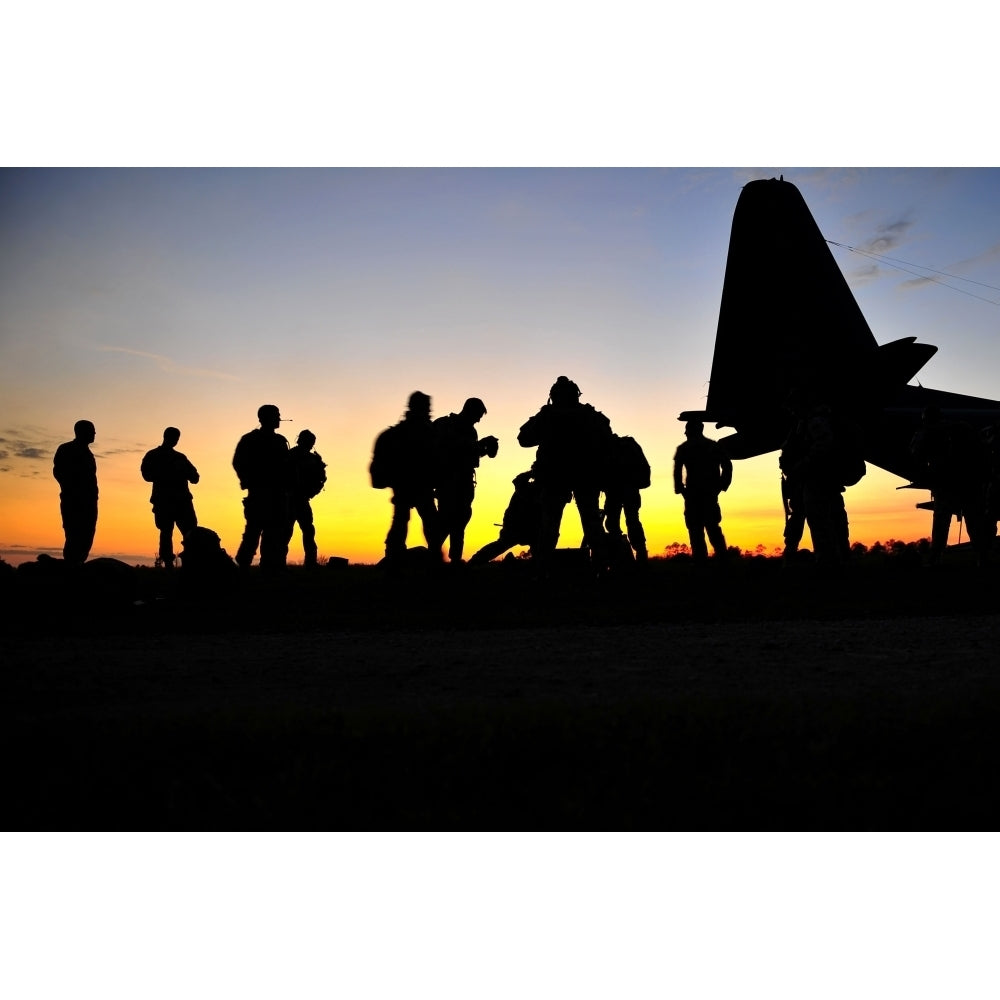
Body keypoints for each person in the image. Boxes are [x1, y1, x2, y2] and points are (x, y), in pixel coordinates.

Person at [517, 376, 614, 570]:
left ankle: (542, 570)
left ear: (553, 396)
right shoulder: (588, 414)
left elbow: (524, 438)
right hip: (583, 476)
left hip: (556, 477)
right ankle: (601, 569)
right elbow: (607, 437)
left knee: (549, 526)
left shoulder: (549, 415)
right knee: (592, 525)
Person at [910, 405, 992, 565]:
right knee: (974, 522)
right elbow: (982, 451)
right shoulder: (962, 428)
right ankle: (982, 557)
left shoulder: (928, 433)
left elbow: (916, 455)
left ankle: (936, 557)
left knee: (941, 523)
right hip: (969, 485)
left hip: (945, 486)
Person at [374, 391, 443, 565]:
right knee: (427, 524)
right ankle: (433, 561)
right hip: (417, 485)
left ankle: (394, 559)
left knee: (403, 522)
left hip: (408, 485)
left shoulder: (399, 432)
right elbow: (435, 457)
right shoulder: (426, 431)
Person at [434, 398, 499, 563]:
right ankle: (432, 556)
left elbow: (471, 457)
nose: (478, 420)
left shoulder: (471, 431)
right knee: (446, 521)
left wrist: (486, 449)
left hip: (465, 483)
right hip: (448, 482)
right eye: (477, 415)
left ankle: (455, 559)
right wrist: (479, 445)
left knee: (461, 521)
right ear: (469, 411)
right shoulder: (445, 425)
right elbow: (448, 451)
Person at [232, 404, 291, 571]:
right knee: (253, 531)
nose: (279, 418)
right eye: (276, 415)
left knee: (274, 533)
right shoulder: (250, 439)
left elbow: (287, 466)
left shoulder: (280, 441)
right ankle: (243, 565)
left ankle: (270, 567)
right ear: (265, 418)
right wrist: (249, 480)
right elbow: (238, 462)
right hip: (259, 493)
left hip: (279, 494)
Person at [140, 427, 200, 568]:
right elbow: (147, 475)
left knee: (186, 532)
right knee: (169, 532)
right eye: (175, 438)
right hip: (169, 501)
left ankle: (186, 562)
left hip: (178, 501)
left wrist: (183, 473)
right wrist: (168, 473)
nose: (176, 441)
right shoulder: (157, 456)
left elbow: (195, 477)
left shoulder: (178, 457)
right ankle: (170, 563)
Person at [673, 420, 732, 561]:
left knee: (696, 531)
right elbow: (727, 466)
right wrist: (721, 486)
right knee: (712, 529)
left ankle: (702, 563)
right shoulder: (713, 446)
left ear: (692, 430)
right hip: (707, 494)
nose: (685, 433)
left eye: (687, 430)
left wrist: (680, 490)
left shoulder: (684, 448)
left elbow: (677, 471)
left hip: (694, 495)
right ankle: (721, 562)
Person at [469, 468, 542, 564]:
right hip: (515, 525)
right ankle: (475, 561)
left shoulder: (542, 491)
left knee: (539, 545)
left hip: (529, 527)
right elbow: (518, 481)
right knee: (502, 544)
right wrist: (534, 472)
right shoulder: (526, 487)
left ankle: (539, 566)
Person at [53, 419, 98, 564]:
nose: (94, 434)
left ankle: (77, 566)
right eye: (91, 431)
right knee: (74, 535)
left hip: (89, 503)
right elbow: (59, 473)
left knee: (87, 536)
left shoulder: (87, 453)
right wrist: (74, 490)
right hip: (74, 502)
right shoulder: (66, 449)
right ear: (81, 432)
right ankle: (71, 569)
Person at [603, 433, 651, 565]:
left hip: (614, 492)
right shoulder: (628, 445)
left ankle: (620, 558)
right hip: (630, 491)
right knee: (632, 521)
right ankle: (640, 555)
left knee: (613, 524)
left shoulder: (607, 447)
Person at [286, 429, 327, 567]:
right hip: (289, 499)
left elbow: (321, 478)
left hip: (302, 499)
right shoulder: (290, 456)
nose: (311, 445)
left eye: (312, 442)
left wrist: (313, 490)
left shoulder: (313, 459)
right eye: (309, 442)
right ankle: (278, 563)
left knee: (308, 531)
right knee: (286, 532)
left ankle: (310, 562)